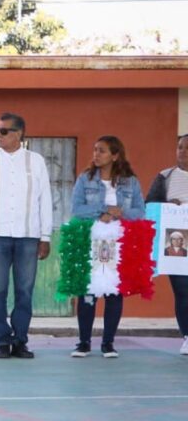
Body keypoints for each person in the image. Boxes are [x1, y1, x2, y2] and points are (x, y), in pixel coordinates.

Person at [0, 112, 54, 360]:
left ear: (19, 134)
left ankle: (20, 340)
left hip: (28, 235)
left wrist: (45, 236)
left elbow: (45, 200)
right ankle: (2, 340)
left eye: (4, 131)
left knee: (25, 290)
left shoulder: (36, 161)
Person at [68, 136, 144, 359]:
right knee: (87, 291)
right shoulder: (85, 179)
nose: (96, 154)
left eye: (101, 151)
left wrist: (122, 213)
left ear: (115, 155)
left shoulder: (130, 182)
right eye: (94, 150)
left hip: (118, 243)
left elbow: (140, 211)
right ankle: (83, 343)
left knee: (114, 292)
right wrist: (103, 210)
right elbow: (76, 209)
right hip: (91, 240)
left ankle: (108, 343)